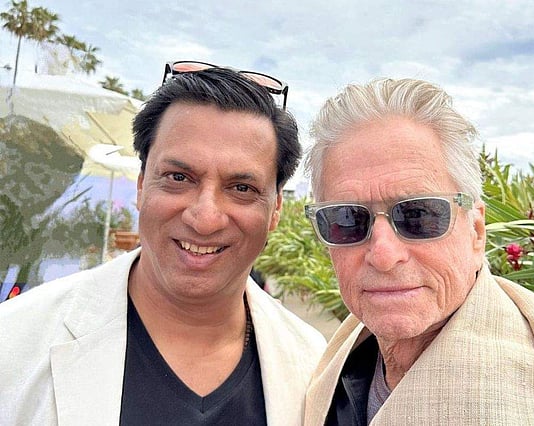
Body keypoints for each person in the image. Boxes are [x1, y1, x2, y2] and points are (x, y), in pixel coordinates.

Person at [0, 62, 326, 425]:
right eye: (178, 177)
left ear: (276, 209)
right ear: (141, 185)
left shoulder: (314, 367)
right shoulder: (13, 345)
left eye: (241, 188)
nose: (205, 218)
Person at [302, 78, 534, 425]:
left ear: (476, 231)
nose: (384, 255)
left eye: (418, 215)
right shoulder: (327, 367)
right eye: (347, 219)